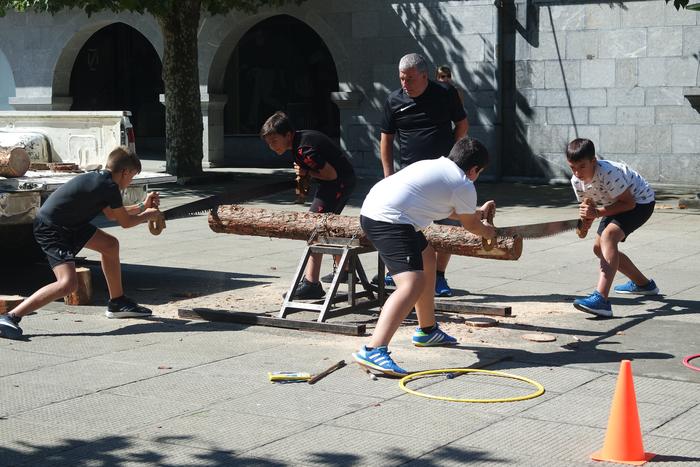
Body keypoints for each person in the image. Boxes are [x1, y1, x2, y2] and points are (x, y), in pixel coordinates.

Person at [353, 137, 496, 376]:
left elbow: (451, 208)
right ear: (474, 170)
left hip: (377, 211)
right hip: (390, 220)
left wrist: (477, 211)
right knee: (413, 282)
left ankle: (427, 330)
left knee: (427, 257)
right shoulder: (463, 183)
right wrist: (490, 232)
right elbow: (470, 225)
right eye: (478, 173)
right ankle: (373, 349)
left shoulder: (437, 166)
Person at [0, 147, 162, 340]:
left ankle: (117, 302)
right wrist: (147, 215)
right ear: (125, 172)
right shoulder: (109, 186)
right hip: (52, 228)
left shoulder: (102, 180)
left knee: (110, 245)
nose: (131, 181)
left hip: (70, 224)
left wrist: (143, 206)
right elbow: (125, 222)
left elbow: (112, 214)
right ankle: (10, 317)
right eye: (132, 176)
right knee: (67, 284)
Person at [380, 53, 469, 297]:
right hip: (408, 176)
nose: (404, 84)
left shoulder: (445, 94)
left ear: (424, 76)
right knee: (402, 224)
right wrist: (388, 175)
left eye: (410, 79)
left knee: (449, 225)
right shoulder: (394, 101)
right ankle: (398, 270)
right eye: (401, 78)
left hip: (443, 173)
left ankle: (439, 276)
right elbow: (386, 139)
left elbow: (462, 124)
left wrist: (455, 160)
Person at [261, 111, 356, 299]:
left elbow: (331, 175)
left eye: (274, 141)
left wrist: (308, 173)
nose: (272, 147)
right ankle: (345, 270)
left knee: (314, 227)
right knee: (327, 228)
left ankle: (312, 283)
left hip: (338, 183)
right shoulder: (300, 142)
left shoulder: (303, 149)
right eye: (269, 143)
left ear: (287, 135)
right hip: (337, 182)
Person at [567, 138, 659, 318]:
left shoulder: (608, 172)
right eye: (572, 167)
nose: (577, 172)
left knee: (608, 237)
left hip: (640, 201)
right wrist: (584, 226)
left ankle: (601, 299)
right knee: (598, 248)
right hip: (614, 203)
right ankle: (644, 285)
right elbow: (589, 206)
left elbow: (629, 203)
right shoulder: (576, 181)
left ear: (593, 161)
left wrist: (597, 213)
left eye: (582, 166)